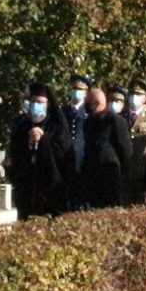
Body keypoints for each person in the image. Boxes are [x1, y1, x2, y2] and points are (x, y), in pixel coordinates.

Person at [6, 83, 68, 219]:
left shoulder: (57, 125)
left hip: (50, 186)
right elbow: (14, 153)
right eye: (33, 102)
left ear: (48, 104)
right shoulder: (21, 124)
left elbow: (62, 151)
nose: (35, 105)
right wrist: (28, 142)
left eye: (40, 102)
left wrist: (43, 139)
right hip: (26, 185)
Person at [77, 86, 132, 209]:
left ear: (96, 103)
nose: (85, 104)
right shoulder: (88, 122)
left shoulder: (115, 120)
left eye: (88, 101)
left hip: (110, 177)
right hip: (92, 178)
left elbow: (125, 150)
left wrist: (123, 175)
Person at [123, 86, 146, 204]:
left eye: (138, 94)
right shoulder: (122, 116)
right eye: (132, 94)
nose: (134, 97)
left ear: (145, 98)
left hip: (143, 170)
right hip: (125, 171)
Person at [60, 74, 91, 209]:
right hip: (65, 162)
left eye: (80, 89)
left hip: (82, 162)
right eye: (74, 88)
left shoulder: (88, 112)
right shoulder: (63, 111)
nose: (76, 91)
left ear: (86, 93)